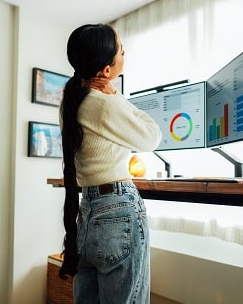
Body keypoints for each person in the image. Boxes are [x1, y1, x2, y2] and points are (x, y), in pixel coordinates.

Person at [58, 23, 162, 303]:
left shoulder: (71, 101)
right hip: (118, 208)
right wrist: (115, 95)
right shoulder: (104, 103)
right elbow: (152, 136)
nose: (125, 55)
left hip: (88, 212)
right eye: (123, 52)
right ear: (106, 70)